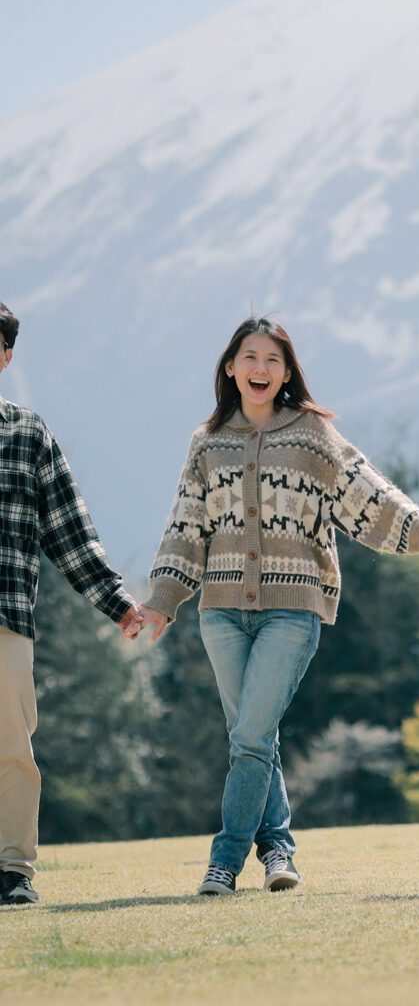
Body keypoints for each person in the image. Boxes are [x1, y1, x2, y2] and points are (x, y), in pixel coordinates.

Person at [136, 317, 419, 896]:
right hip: (220, 611)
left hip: (295, 607)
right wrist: (163, 601)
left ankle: (224, 861)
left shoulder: (312, 434)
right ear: (231, 367)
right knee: (254, 735)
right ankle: (280, 852)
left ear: (286, 371)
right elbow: (186, 524)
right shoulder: (207, 442)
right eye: (250, 358)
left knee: (250, 736)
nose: (260, 369)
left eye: (272, 360)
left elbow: (367, 493)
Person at [0, 302, 143, 906]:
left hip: (4, 619)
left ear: (5, 355)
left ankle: (11, 871)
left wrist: (118, 602)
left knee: (10, 748)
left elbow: (68, 531)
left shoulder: (26, 434)